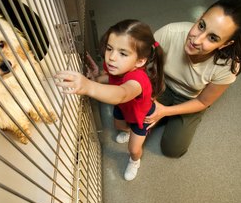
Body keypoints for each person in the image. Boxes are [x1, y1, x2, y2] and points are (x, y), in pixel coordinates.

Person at [55, 19, 164, 180]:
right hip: (124, 107)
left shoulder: (138, 80)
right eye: (109, 48)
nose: (111, 57)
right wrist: (96, 79)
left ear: (140, 61)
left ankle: (135, 161)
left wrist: (88, 86)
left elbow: (122, 93)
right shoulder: (114, 66)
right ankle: (127, 131)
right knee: (119, 126)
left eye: (123, 53)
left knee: (133, 149)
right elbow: (110, 79)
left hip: (141, 116)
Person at [144, 0, 241, 158]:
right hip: (162, 83)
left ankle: (171, 118)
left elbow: (203, 101)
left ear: (226, 44)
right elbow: (139, 61)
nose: (197, 40)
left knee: (172, 150)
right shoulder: (170, 32)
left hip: (190, 98)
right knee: (129, 120)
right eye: (201, 25)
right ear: (200, 17)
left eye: (213, 38)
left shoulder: (228, 66)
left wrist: (165, 111)